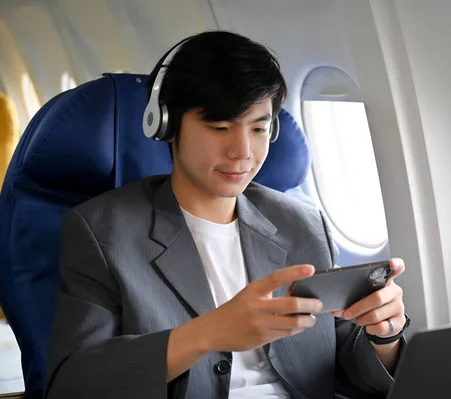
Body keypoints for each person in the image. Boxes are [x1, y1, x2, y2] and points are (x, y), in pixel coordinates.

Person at [43, 30, 408, 399]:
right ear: (167, 125)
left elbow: (351, 367)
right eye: (219, 128)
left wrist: (384, 333)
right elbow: (74, 384)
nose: (243, 152)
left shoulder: (302, 224)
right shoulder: (102, 231)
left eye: (259, 128)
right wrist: (209, 333)